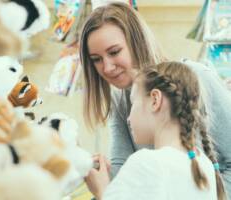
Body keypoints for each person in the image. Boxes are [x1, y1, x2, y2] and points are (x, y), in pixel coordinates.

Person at [79, 2, 231, 198]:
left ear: (137, 41)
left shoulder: (197, 77)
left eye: (114, 52)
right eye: (96, 59)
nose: (106, 68)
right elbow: (121, 172)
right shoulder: (120, 101)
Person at [85, 61, 226, 199]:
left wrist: (101, 190)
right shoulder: (203, 164)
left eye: (133, 102)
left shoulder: (146, 163)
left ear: (155, 100)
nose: (128, 118)